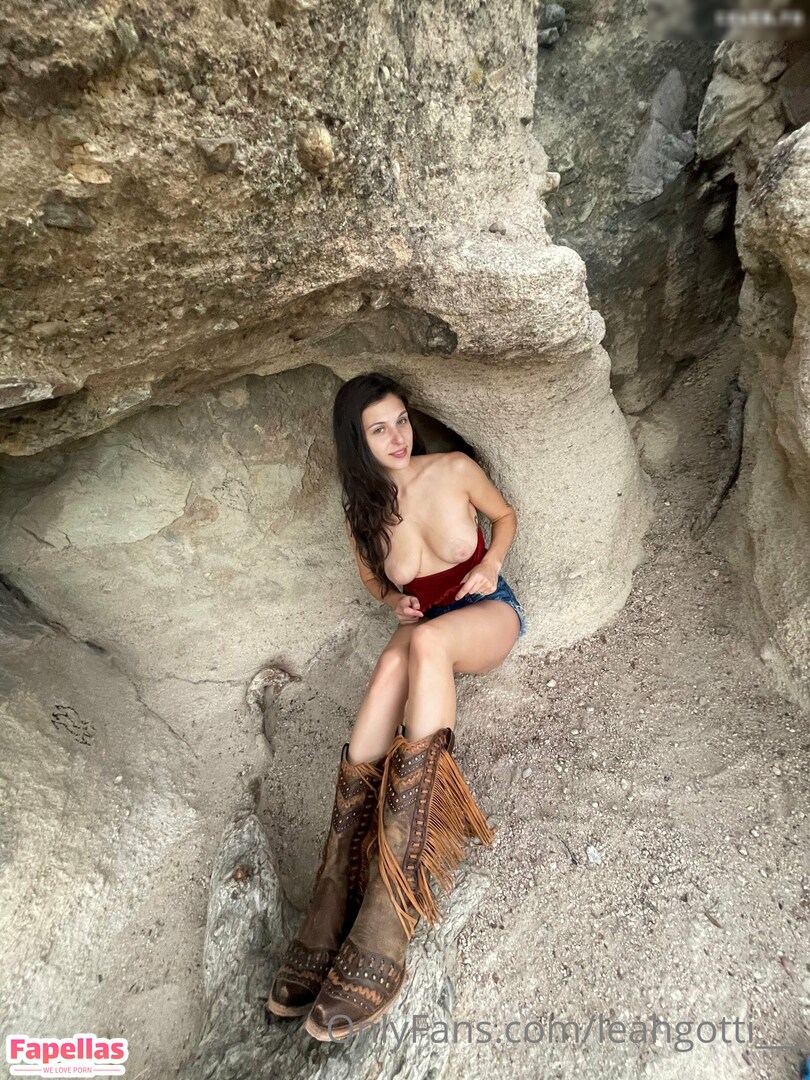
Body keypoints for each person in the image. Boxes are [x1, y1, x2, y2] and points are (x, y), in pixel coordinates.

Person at [266, 372, 527, 1041]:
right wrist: (393, 601)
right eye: (378, 429)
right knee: (390, 664)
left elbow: (505, 517)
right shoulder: (364, 507)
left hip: (485, 614)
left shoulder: (454, 468)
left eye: (401, 420)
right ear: (358, 442)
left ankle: (393, 899)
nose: (397, 437)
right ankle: (335, 889)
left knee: (427, 645)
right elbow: (371, 578)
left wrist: (492, 563)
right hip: (425, 622)